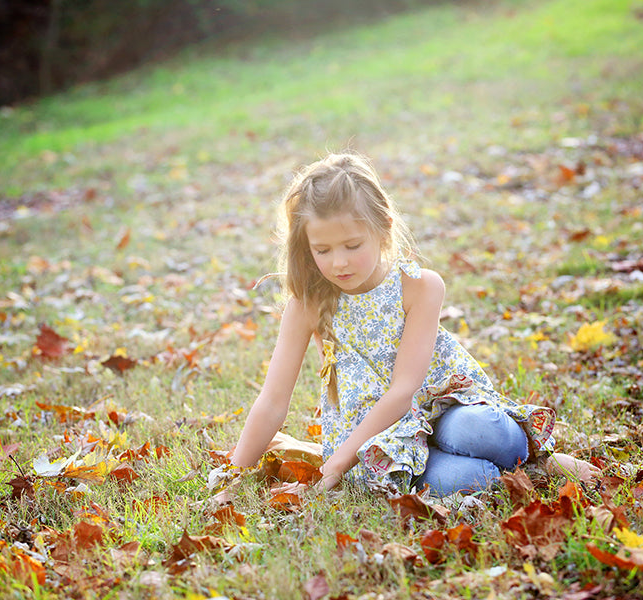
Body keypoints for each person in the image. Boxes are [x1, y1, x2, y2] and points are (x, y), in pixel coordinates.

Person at [224, 152, 599, 498]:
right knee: (470, 481)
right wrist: (234, 476)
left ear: (384, 228)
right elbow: (273, 401)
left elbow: (404, 392)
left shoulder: (419, 287)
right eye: (323, 251)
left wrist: (335, 463)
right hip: (376, 441)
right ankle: (527, 474)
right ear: (307, 247)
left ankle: (536, 461)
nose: (339, 262)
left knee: (479, 429)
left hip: (444, 411)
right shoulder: (307, 304)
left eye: (353, 245)